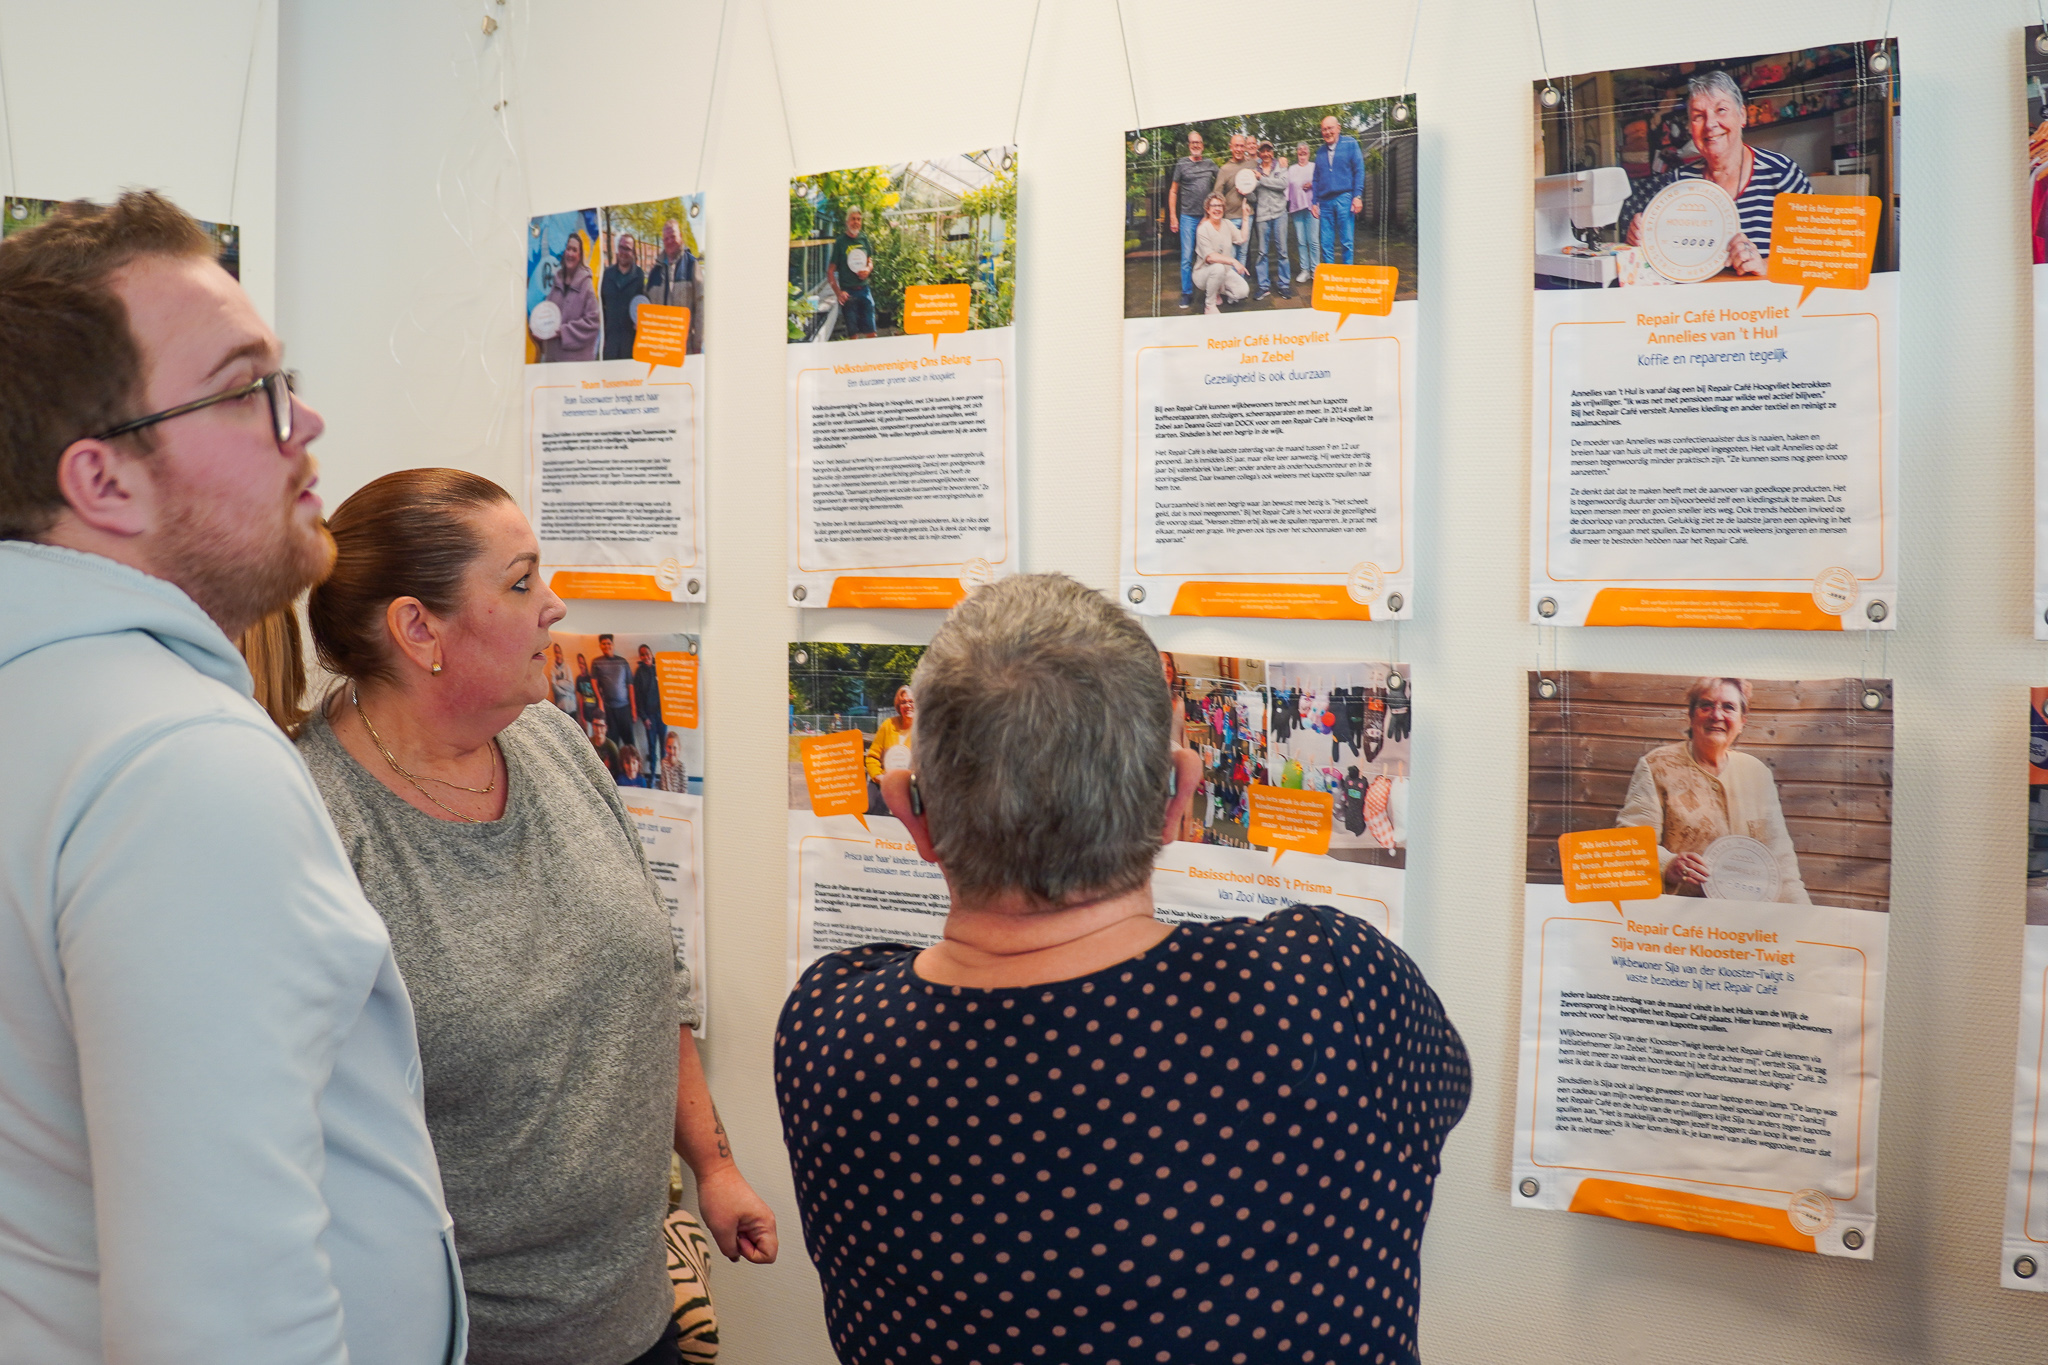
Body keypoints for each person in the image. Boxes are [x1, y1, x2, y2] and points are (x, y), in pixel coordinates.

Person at [775, 574, 1469, 1365]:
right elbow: (1436, 1102)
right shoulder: (1327, 988)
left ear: (910, 811)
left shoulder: (827, 1033)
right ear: (1177, 798)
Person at [0, 191, 465, 1362]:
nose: (303, 418)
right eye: (248, 386)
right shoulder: (177, 768)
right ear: (103, 482)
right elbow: (217, 1330)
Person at [300, 469, 778, 1365]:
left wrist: (713, 1164)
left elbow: (651, 980)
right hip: (460, 1338)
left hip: (640, 1315)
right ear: (419, 629)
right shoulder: (317, 818)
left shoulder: (552, 740)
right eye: (521, 582)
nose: (554, 606)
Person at [1615, 676, 1810, 903]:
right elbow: (1628, 846)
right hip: (1680, 919)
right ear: (1691, 716)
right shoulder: (1657, 766)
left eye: (1728, 707)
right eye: (1706, 706)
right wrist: (1667, 865)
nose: (1716, 715)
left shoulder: (1757, 773)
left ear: (1742, 720)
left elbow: (1782, 862)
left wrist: (1802, 916)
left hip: (1748, 918)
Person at [1622, 69, 1813, 277]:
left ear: (1742, 115)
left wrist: (1766, 266)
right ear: (1690, 129)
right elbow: (1666, 258)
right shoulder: (1679, 183)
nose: (1710, 124)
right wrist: (1641, 241)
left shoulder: (1782, 173)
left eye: (1721, 109)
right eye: (1698, 116)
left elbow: (1817, 253)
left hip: (1767, 304)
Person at [1166, 128, 1216, 310]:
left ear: (1202, 145)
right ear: (1189, 145)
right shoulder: (1181, 164)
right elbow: (1173, 191)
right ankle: (1187, 293)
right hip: (1187, 217)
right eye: (1193, 142)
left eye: (1199, 142)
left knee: (1208, 255)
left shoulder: (1210, 164)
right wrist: (1173, 216)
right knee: (1187, 257)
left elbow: (1221, 183)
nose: (1196, 145)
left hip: (1207, 218)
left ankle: (1211, 292)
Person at [535, 229, 601, 362]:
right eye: (568, 249)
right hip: (553, 360)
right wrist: (540, 327)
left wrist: (563, 331)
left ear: (580, 254)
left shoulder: (586, 285)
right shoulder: (557, 281)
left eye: (574, 250)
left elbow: (593, 322)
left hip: (574, 363)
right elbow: (549, 313)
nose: (570, 253)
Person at [1311, 114, 1365, 268]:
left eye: (1330, 128)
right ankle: (1331, 277)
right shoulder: (1320, 151)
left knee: (1346, 241)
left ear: (1338, 128)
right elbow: (1316, 178)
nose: (1327, 132)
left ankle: (1347, 276)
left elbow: (1359, 170)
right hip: (1325, 202)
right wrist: (1314, 202)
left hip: (1345, 198)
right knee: (1326, 243)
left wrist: (1357, 196)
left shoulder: (1350, 143)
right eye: (1324, 129)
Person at [645, 216, 700, 353]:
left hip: (684, 348)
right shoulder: (654, 271)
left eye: (673, 236)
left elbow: (701, 305)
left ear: (680, 236)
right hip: (660, 348)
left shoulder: (691, 265)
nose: (669, 241)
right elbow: (645, 305)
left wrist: (697, 343)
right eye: (666, 238)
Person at [1191, 193, 1251, 313]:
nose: (1217, 209)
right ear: (1207, 209)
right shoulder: (1203, 229)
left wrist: (1245, 217)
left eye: (1220, 206)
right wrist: (1234, 261)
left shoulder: (1227, 224)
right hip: (1203, 272)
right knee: (1217, 268)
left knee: (1243, 291)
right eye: (1213, 206)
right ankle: (1209, 305)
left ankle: (1218, 289)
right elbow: (1210, 258)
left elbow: (1242, 238)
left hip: (1225, 271)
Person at [1250, 139, 1293, 299]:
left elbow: (1282, 184)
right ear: (1260, 153)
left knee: (1282, 251)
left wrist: (1262, 179)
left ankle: (1284, 284)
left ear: (1272, 152)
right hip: (1262, 215)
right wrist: (1245, 190)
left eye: (1269, 150)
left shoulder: (1280, 167)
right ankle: (1263, 286)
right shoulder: (1254, 170)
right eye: (1263, 151)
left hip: (1279, 213)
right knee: (1262, 252)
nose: (1266, 153)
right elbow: (1253, 195)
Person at [863, 684, 915, 815]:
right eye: (903, 702)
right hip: (883, 779)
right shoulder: (888, 725)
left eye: (911, 701)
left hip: (909, 785)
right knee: (868, 805)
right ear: (898, 706)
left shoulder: (923, 730)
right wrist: (878, 776)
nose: (907, 705)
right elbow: (872, 757)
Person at [828, 207, 878, 340]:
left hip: (864, 291)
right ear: (847, 222)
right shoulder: (840, 242)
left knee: (872, 333)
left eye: (859, 219)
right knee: (853, 336)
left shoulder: (863, 238)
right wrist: (839, 293)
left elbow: (870, 261)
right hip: (848, 294)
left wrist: (868, 269)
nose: (856, 222)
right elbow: (830, 271)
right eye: (853, 219)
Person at [591, 631, 638, 758]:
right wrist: (600, 701)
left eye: (608, 643)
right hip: (608, 709)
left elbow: (630, 685)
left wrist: (633, 709)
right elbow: (594, 682)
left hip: (624, 708)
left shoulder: (622, 662)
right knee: (613, 742)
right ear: (600, 646)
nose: (606, 646)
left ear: (613, 644)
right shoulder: (597, 662)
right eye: (603, 644)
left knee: (630, 742)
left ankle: (633, 772)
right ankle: (615, 774)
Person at [600, 232, 646, 361]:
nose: (624, 252)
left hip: (631, 344)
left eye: (628, 249)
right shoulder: (607, 275)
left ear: (633, 252)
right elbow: (601, 307)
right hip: (610, 344)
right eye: (621, 247)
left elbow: (644, 307)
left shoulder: (639, 276)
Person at [1213, 132, 1255, 267]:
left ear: (1245, 148)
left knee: (1243, 253)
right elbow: (1217, 194)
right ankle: (1230, 285)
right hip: (1229, 218)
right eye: (1236, 146)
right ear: (1231, 147)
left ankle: (1239, 285)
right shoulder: (1224, 169)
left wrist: (1282, 161)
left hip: (1247, 217)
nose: (1239, 149)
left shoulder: (1252, 164)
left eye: (1242, 146)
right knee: (1230, 254)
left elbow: (1267, 164)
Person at [1286, 139, 1320, 283]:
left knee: (1313, 240)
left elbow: (1322, 183)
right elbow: (1286, 188)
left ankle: (1315, 270)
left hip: (1312, 207)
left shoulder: (1314, 166)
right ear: (1297, 152)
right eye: (1300, 149)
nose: (1302, 150)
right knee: (1301, 241)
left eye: (1305, 148)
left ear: (1309, 152)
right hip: (1296, 208)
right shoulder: (1291, 169)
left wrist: (1313, 184)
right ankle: (1304, 270)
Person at [634, 642, 668, 774]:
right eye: (642, 655)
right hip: (649, 718)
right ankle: (653, 774)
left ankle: (665, 775)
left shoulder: (660, 667)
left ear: (651, 654)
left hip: (662, 716)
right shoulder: (639, 673)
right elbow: (638, 698)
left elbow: (667, 690)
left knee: (664, 748)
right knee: (652, 747)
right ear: (640, 657)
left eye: (647, 653)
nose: (645, 656)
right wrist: (644, 718)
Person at [590, 711, 626, 780]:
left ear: (606, 727)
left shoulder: (611, 747)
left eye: (601, 726)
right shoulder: (589, 743)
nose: (598, 729)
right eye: (596, 725)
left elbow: (616, 771)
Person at [549, 641, 577, 716]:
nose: (558, 655)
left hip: (572, 707)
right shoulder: (552, 669)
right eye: (556, 652)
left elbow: (571, 687)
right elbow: (554, 688)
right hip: (561, 707)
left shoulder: (567, 668)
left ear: (562, 653)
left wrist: (559, 682)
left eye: (559, 652)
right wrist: (566, 693)